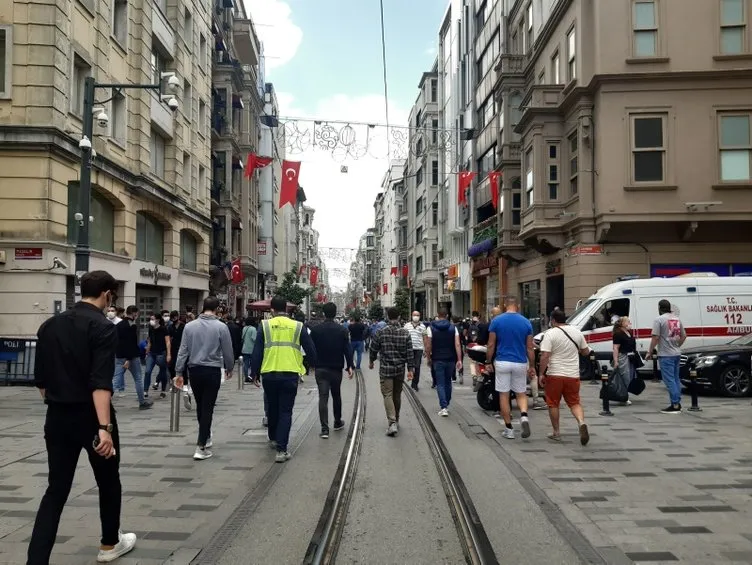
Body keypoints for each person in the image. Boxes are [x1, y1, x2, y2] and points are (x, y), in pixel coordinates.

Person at [28, 270, 137, 564]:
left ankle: (36, 560)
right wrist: (104, 428)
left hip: (57, 416)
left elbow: (40, 382)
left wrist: (59, 402)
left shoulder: (49, 325)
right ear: (107, 294)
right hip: (91, 417)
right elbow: (101, 383)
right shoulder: (102, 327)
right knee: (108, 480)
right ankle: (109, 544)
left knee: (56, 490)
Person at [250, 296, 317, 462]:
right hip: (290, 374)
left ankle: (273, 438)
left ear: (271, 310)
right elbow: (310, 349)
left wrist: (254, 373)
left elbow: (257, 352)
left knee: (272, 408)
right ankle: (282, 450)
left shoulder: (264, 326)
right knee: (285, 411)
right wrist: (315, 365)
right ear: (286, 309)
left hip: (269, 373)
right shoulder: (297, 326)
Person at [174, 296, 235, 461]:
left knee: (201, 406)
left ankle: (205, 436)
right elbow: (228, 350)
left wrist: (178, 371)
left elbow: (183, 351)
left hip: (194, 371)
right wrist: (230, 367)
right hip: (212, 370)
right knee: (208, 407)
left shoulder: (189, 326)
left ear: (203, 307)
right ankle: (201, 446)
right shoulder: (221, 327)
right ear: (217, 310)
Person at [537, 309, 591, 445]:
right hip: (573, 374)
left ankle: (556, 432)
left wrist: (541, 373)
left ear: (553, 320)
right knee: (574, 402)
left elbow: (545, 356)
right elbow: (585, 351)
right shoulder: (577, 332)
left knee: (553, 403)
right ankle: (581, 422)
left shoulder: (549, 334)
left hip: (555, 374)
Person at [485, 296, 535, 440]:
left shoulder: (496, 321)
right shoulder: (526, 323)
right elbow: (530, 347)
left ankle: (509, 429)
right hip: (520, 362)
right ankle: (524, 416)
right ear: (517, 305)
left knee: (504, 395)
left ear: (505, 305)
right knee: (521, 393)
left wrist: (488, 361)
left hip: (502, 361)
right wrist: (532, 365)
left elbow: (491, 344)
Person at [310, 302, 353, 438]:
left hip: (320, 368)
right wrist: (350, 366)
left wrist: (312, 363)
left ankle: (324, 429)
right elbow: (347, 349)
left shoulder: (316, 330)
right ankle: (337, 421)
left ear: (323, 312)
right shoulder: (342, 330)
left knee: (323, 397)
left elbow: (311, 349)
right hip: (336, 368)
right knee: (336, 395)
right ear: (335, 313)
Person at [369, 307, 414, 437]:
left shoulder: (381, 332)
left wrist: (371, 361)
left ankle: (392, 422)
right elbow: (409, 353)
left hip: (386, 369)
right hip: (399, 369)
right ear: (399, 317)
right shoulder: (405, 333)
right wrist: (410, 369)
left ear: (387, 317)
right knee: (397, 394)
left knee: (387, 394)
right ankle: (396, 419)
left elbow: (373, 348)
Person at [646, 299, 686, 414]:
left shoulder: (659, 320)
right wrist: (677, 345)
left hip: (665, 354)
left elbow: (655, 337)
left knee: (669, 380)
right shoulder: (677, 319)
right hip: (676, 353)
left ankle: (675, 405)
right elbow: (684, 336)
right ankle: (677, 402)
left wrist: (650, 351)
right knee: (676, 378)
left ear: (659, 308)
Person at [112, 305, 152, 409]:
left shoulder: (118, 325)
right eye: (137, 313)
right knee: (138, 379)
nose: (137, 315)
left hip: (119, 356)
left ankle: (105, 402)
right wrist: (129, 359)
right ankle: (142, 402)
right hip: (131, 357)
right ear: (134, 313)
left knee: (116, 380)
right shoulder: (131, 326)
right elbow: (131, 343)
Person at [425, 308, 462, 416]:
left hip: (437, 359)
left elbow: (428, 345)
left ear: (438, 314)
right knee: (448, 382)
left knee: (440, 383)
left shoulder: (431, 328)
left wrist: (428, 358)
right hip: (451, 359)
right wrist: (459, 359)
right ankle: (447, 402)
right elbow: (457, 344)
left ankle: (444, 406)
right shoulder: (453, 328)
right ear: (447, 315)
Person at [144, 313, 170, 399]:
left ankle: (163, 390)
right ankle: (145, 391)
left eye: (153, 318)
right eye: (150, 319)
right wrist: (147, 351)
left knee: (163, 372)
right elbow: (150, 341)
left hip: (161, 353)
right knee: (147, 371)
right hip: (152, 353)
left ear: (158, 320)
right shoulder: (151, 328)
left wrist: (168, 354)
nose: (151, 320)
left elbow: (167, 342)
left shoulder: (163, 329)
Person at [612, 316, 636, 406]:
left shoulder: (629, 332)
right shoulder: (618, 333)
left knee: (630, 376)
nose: (629, 323)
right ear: (622, 323)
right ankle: (623, 397)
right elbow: (615, 348)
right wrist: (616, 361)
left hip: (630, 356)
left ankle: (625, 395)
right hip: (623, 356)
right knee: (625, 376)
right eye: (627, 321)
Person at [404, 311, 428, 390]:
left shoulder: (423, 327)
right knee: (410, 365)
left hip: (419, 349)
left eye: (417, 315)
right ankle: (411, 376)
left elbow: (425, 338)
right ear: (411, 316)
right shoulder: (407, 326)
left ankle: (415, 383)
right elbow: (403, 337)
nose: (416, 316)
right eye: (414, 315)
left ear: (420, 316)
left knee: (417, 366)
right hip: (409, 349)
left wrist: (425, 349)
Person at [241, 318, 258, 383]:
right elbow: (254, 339)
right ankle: (251, 377)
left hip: (245, 349)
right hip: (252, 349)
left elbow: (242, 337)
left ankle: (246, 377)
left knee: (246, 364)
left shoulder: (244, 328)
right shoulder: (253, 329)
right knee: (253, 364)